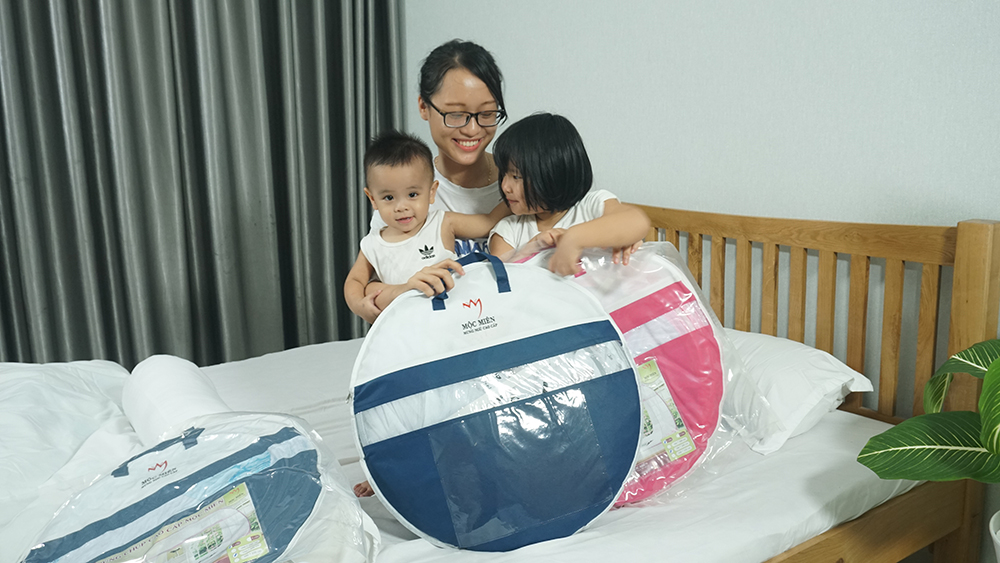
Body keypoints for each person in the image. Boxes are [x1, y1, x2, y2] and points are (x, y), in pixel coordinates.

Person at [356, 40, 511, 324]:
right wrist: (385, 294)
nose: (473, 129)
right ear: (424, 107)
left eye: (487, 113)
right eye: (456, 114)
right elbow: (372, 287)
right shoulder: (405, 195)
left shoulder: (519, 183)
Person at [344, 131, 504, 319]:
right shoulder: (372, 244)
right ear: (372, 199)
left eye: (412, 195)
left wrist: (522, 194)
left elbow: (488, 222)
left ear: (431, 192)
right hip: (407, 325)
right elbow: (355, 280)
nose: (401, 207)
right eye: (388, 197)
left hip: (453, 318)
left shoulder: (443, 222)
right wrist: (358, 305)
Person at [488, 113, 650, 276]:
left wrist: (574, 239)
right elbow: (496, 281)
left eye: (516, 176)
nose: (505, 186)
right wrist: (533, 247)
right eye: (504, 174)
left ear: (554, 174)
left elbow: (637, 221)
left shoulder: (592, 205)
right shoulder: (508, 231)